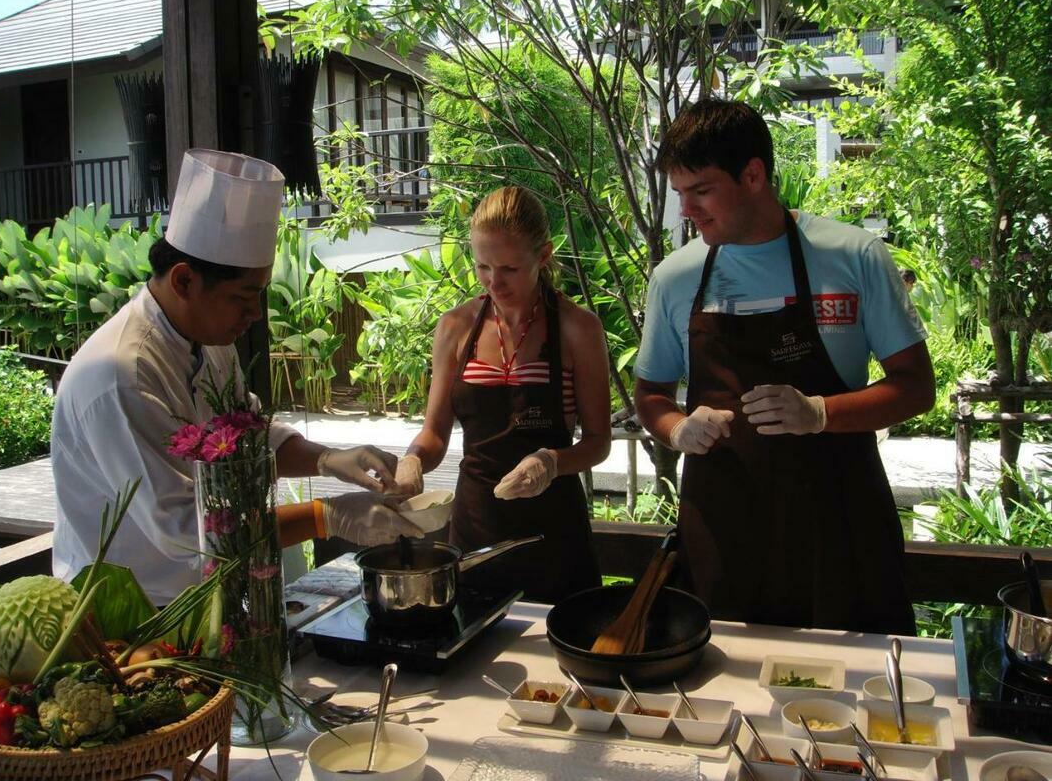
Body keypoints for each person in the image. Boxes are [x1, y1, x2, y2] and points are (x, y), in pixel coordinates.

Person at [52, 149, 421, 605]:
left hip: (208, 594)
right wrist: (324, 517)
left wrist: (329, 459)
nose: (255, 314)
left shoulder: (208, 340)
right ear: (184, 281)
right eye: (243, 298)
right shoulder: (121, 375)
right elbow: (186, 532)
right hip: (133, 610)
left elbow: (248, 436)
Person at [634, 101, 934, 634]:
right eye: (680, 193)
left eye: (700, 191)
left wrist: (820, 413)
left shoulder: (855, 256)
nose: (686, 210)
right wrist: (677, 429)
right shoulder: (676, 277)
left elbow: (916, 388)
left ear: (753, 175)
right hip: (723, 534)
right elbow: (651, 395)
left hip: (839, 527)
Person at [392, 187, 611, 603]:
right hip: (476, 526)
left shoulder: (577, 328)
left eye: (509, 268)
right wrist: (412, 460)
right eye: (483, 266)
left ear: (543, 255)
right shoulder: (456, 327)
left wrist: (550, 462)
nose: (494, 281)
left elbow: (599, 442)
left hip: (554, 533)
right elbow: (434, 433)